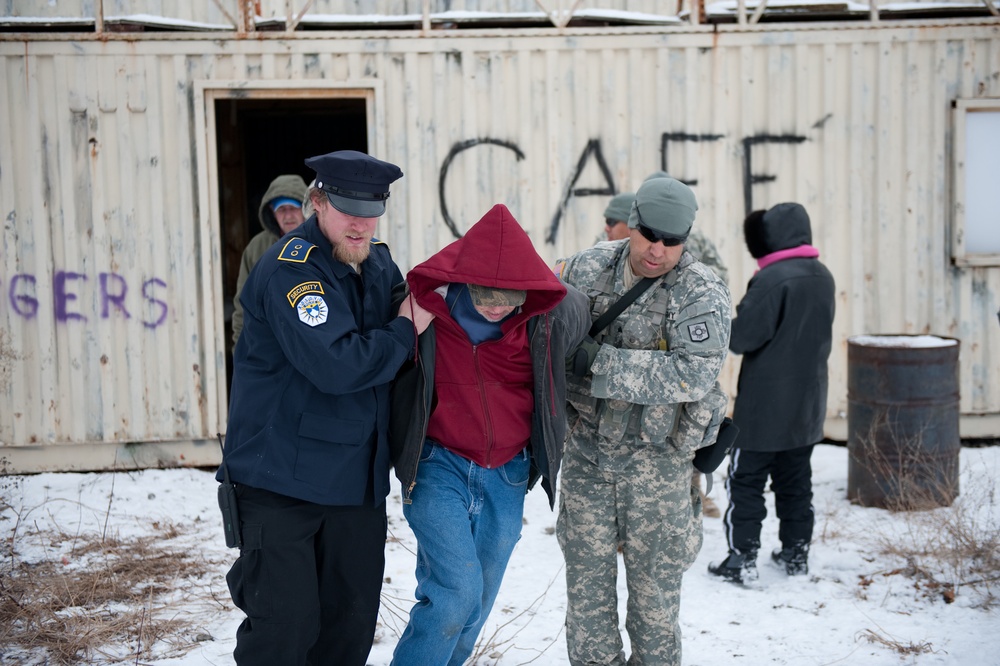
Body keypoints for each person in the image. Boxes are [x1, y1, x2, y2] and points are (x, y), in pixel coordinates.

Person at [218, 150, 434, 666]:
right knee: (284, 632)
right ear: (318, 203)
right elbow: (340, 364)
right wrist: (405, 328)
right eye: (346, 208)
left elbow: (421, 320)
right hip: (280, 483)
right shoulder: (290, 271)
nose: (360, 222)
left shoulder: (378, 261)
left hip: (352, 485)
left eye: (371, 209)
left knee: (348, 629)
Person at [388, 203, 590, 666]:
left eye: (511, 295)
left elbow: (579, 322)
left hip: (508, 473)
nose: (498, 304)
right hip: (439, 465)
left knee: (475, 601)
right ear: (464, 280)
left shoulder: (549, 315)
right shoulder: (426, 311)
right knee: (456, 592)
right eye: (485, 293)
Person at [554, 176, 732, 666]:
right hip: (588, 455)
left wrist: (600, 364)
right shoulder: (586, 270)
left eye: (672, 241)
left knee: (654, 612)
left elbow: (693, 374)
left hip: (660, 466)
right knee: (587, 603)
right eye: (650, 235)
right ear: (631, 224)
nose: (658, 250)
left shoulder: (700, 291)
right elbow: (546, 336)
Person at [708, 202, 835, 584]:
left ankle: (741, 558)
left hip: (763, 410)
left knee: (746, 482)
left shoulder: (773, 279)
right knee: (795, 483)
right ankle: (796, 554)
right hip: (807, 406)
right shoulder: (822, 275)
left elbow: (743, 337)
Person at [231, 174, 309, 345]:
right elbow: (243, 305)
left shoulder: (322, 242)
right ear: (272, 213)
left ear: (305, 209)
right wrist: (241, 354)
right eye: (281, 209)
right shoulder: (256, 247)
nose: (288, 215)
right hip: (270, 347)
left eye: (293, 207)